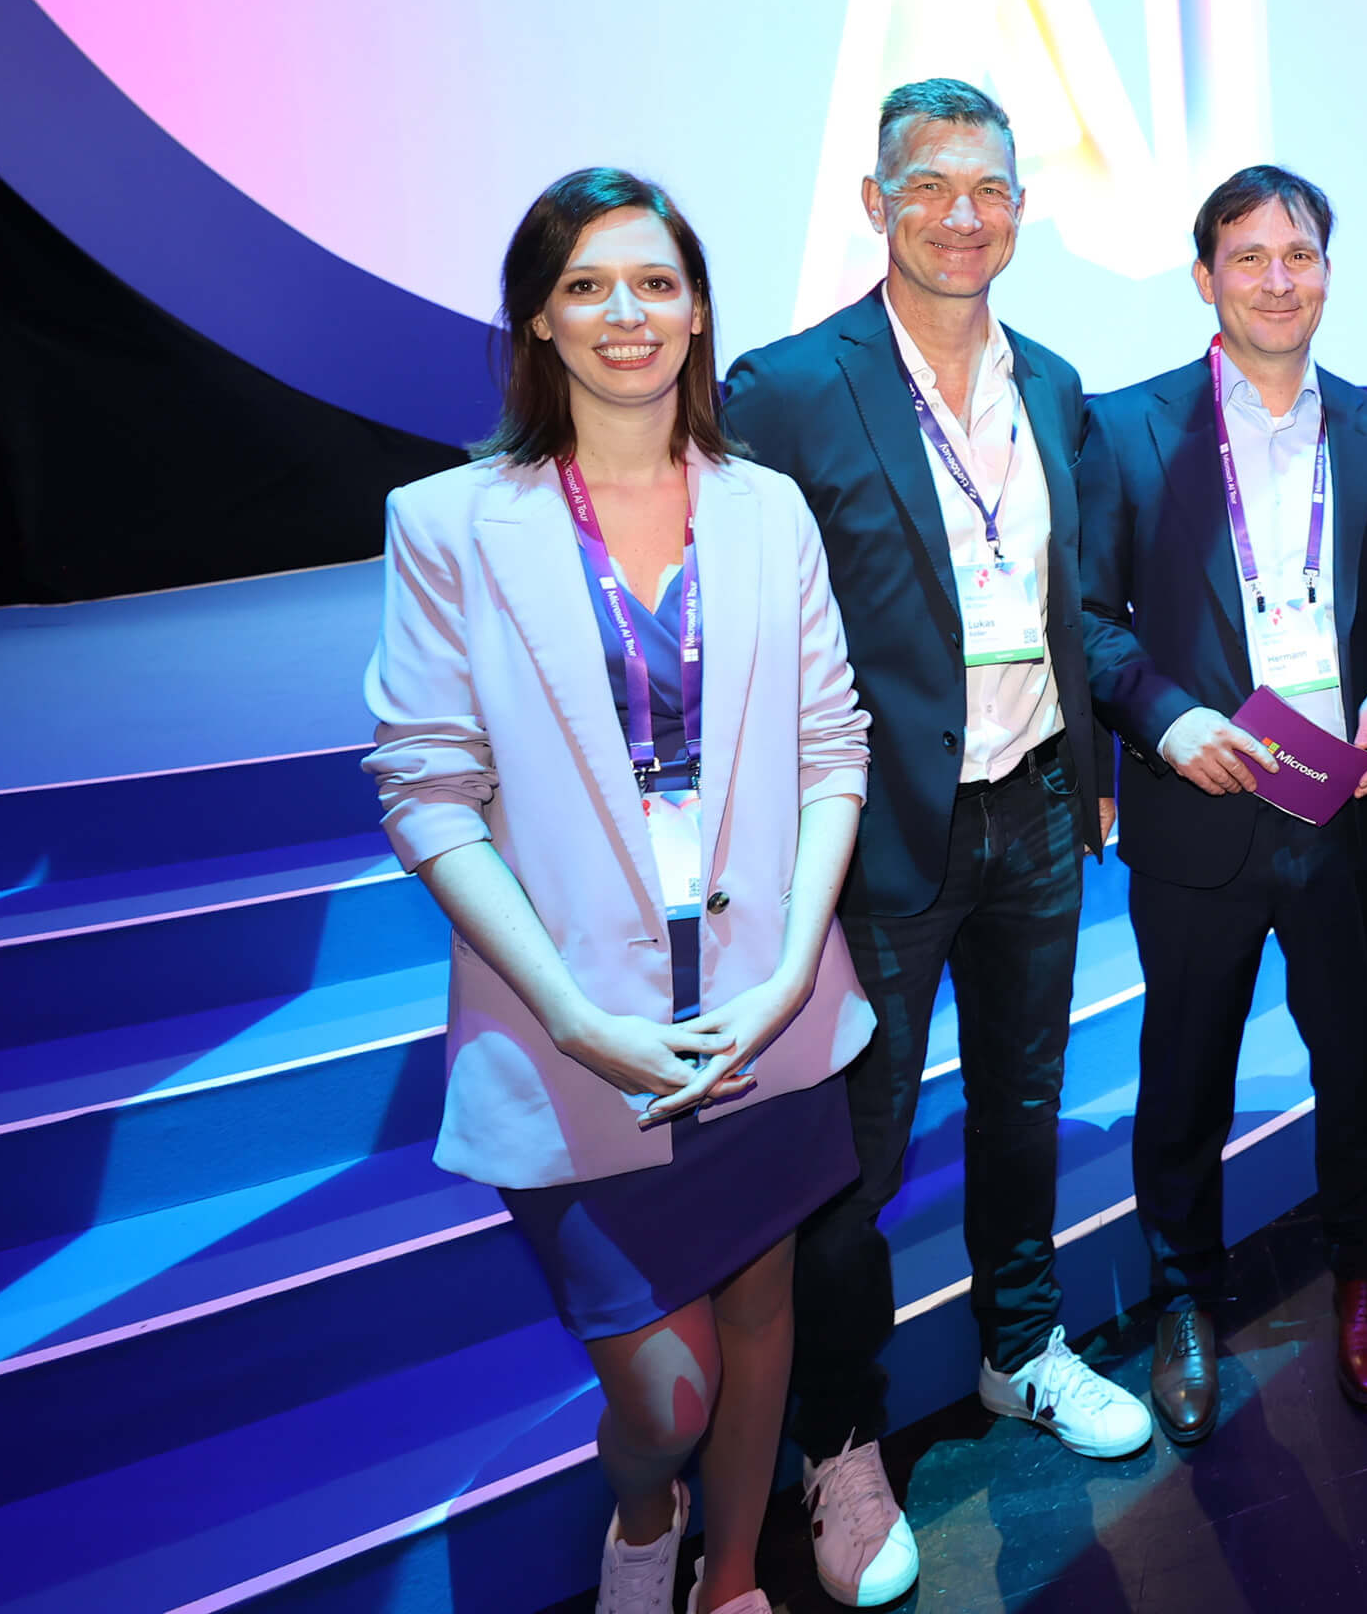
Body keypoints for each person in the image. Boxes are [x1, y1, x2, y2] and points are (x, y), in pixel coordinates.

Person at [365, 169, 872, 1614]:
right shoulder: (449, 523)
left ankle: (732, 1578)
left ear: (699, 310)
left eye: (654, 281)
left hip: (765, 1004)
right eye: (585, 285)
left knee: (763, 1317)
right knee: (665, 1390)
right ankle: (646, 1509)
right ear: (538, 319)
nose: (625, 312)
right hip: (571, 1025)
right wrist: (576, 1017)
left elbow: (833, 747)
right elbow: (427, 791)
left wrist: (794, 973)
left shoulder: (769, 510)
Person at [720, 78, 1148, 1608]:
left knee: (1025, 1103)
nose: (963, 216)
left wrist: (1095, 771)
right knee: (857, 1158)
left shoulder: (1056, 382)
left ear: (1022, 208)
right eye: (929, 186)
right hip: (874, 833)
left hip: (1032, 806)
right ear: (874, 203)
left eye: (990, 188)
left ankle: (1020, 1346)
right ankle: (839, 1444)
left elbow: (1071, 602)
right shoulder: (786, 390)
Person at [1077, 166, 1367, 1445]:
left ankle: (1365, 1272)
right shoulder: (1127, 429)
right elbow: (1087, 620)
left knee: (1355, 1062)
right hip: (1200, 804)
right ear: (1205, 278)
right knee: (1185, 1075)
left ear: (1327, 273)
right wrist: (1167, 719)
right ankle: (1183, 1297)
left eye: (1301, 255)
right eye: (1249, 257)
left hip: (1341, 804)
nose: (1279, 280)